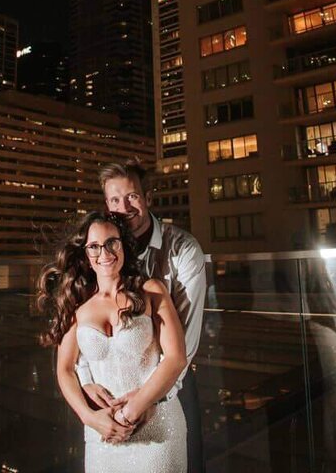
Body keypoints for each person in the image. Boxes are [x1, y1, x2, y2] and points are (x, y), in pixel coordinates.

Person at [37, 212, 188, 472]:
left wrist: (130, 412)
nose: (104, 253)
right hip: (102, 433)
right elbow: (64, 369)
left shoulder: (151, 290)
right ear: (85, 253)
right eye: (94, 246)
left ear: (123, 245)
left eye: (111, 243)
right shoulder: (78, 305)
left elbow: (176, 359)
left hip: (156, 428)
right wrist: (90, 418)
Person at [84, 159, 207, 472]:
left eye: (132, 197)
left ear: (148, 197)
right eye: (114, 200)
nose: (124, 207)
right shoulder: (99, 254)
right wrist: (86, 385)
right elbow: (81, 324)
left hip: (170, 387)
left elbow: (185, 343)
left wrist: (153, 399)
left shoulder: (182, 250)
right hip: (109, 399)